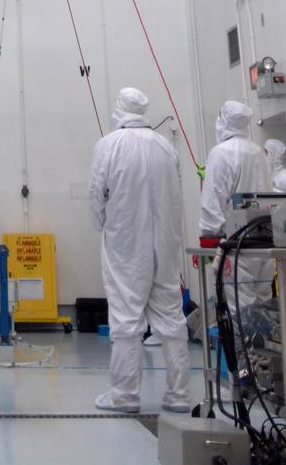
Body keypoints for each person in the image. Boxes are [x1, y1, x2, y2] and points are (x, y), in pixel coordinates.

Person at [88, 87, 191, 414]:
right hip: (165, 243)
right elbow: (176, 193)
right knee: (172, 319)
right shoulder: (165, 146)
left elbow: (96, 195)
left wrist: (105, 225)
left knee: (126, 317)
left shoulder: (108, 145)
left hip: (126, 244)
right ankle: (179, 395)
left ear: (120, 107)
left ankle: (125, 394)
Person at [200, 100, 273, 306]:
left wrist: (210, 236)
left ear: (224, 120)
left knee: (239, 314)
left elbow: (212, 203)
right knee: (263, 307)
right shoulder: (258, 152)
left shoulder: (221, 152)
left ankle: (245, 340)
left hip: (236, 246)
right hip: (264, 246)